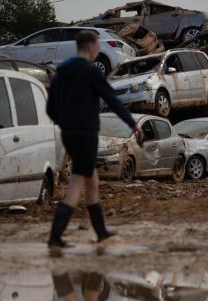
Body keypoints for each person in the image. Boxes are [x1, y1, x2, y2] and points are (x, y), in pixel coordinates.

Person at [47, 30, 141, 250]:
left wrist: (64, 122)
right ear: (90, 46)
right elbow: (112, 99)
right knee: (77, 182)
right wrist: (132, 123)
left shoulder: (60, 73)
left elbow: (50, 108)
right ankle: (55, 237)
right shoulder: (90, 72)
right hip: (86, 133)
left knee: (92, 180)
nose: (98, 52)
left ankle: (101, 233)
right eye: (97, 47)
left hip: (68, 133)